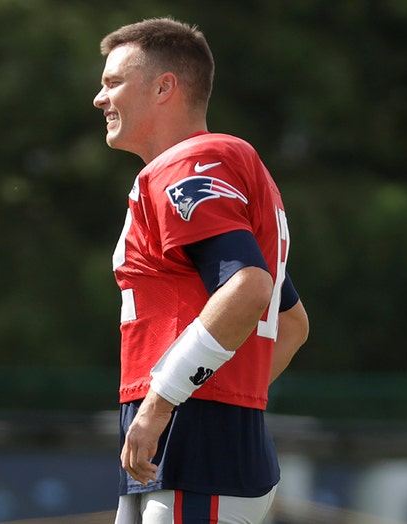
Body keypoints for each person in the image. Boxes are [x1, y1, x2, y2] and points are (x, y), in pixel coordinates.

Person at [92, 17, 309, 523]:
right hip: (193, 437)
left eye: (112, 83)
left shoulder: (188, 163)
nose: (100, 100)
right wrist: (214, 394)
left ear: (164, 86)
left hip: (194, 445)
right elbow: (291, 323)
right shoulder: (203, 165)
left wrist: (169, 401)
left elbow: (247, 286)